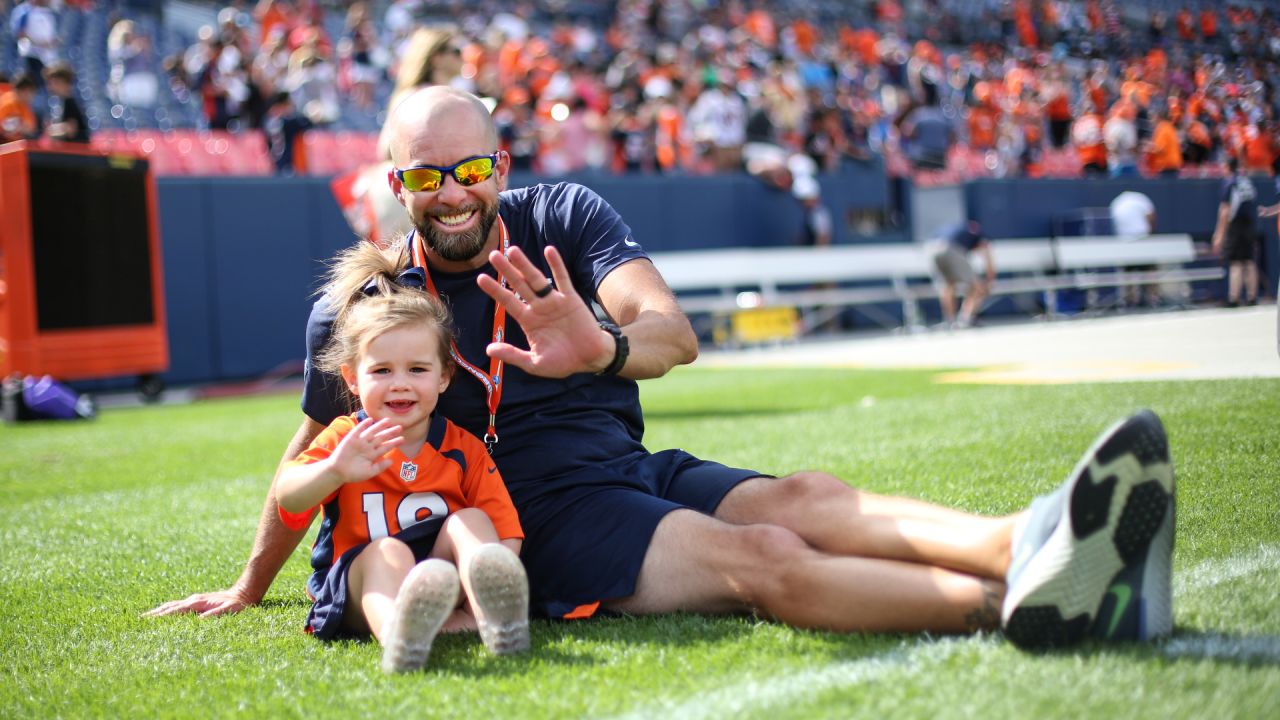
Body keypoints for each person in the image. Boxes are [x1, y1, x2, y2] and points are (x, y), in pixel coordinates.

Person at [150, 87, 1177, 652]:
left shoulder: (564, 217)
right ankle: (1028, 607)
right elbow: (315, 443)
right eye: (425, 177)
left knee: (805, 494)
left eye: (467, 169)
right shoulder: (365, 302)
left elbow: (671, 335)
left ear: (499, 167)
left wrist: (595, 346)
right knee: (761, 559)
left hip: (620, 462)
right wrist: (250, 584)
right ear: (396, 184)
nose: (450, 193)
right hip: (531, 517)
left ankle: (1035, 537)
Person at [273, 243, 529, 672]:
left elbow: (506, 531)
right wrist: (335, 470)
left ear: (444, 376)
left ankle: (494, 622)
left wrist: (491, 577)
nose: (400, 385)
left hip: (438, 581)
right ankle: (399, 636)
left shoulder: (462, 447)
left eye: (417, 369)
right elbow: (288, 497)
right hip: (361, 589)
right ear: (352, 378)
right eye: (382, 371)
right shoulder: (345, 437)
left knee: (471, 521)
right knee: (387, 552)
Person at [928, 220, 995, 329]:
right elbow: (987, 256)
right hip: (951, 249)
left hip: (932, 249)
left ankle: (950, 322)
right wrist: (990, 279)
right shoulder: (977, 232)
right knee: (977, 287)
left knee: (947, 285)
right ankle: (966, 320)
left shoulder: (955, 229)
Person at [1212, 157, 1260, 307]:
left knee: (1235, 263)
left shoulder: (1229, 183)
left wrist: (1219, 234)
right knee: (1249, 261)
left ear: (1227, 167)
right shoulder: (1246, 182)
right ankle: (1252, 297)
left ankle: (1234, 298)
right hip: (1249, 224)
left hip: (1236, 226)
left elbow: (1225, 210)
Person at [1108, 190, 1161, 308]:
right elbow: (1151, 216)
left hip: (1129, 241)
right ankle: (1145, 300)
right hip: (1137, 240)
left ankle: (1145, 300)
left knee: (1143, 271)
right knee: (1143, 271)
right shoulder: (1140, 199)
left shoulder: (1118, 202)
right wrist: (1150, 233)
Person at [42, 63, 89, 144]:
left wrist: (50, 130)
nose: (50, 86)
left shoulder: (70, 102)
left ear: (64, 83)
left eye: (55, 82)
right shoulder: (63, 102)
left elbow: (71, 129)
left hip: (78, 153)